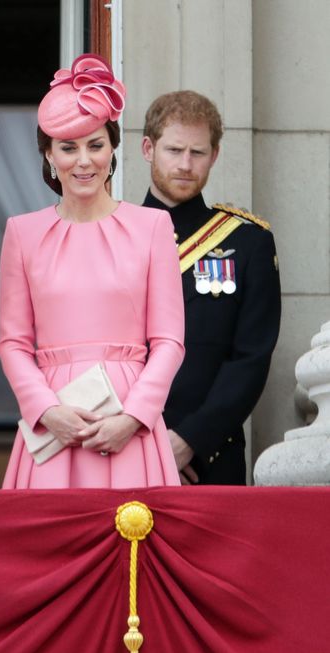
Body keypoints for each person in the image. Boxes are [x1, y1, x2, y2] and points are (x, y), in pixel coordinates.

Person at [0, 54, 185, 488]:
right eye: (68, 147)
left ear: (112, 148)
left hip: (129, 420)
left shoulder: (152, 226)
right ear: (48, 153)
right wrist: (46, 410)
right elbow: (12, 343)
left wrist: (136, 416)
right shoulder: (22, 233)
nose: (84, 161)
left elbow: (169, 341)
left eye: (95, 145)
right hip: (53, 418)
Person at [141, 91, 280, 485]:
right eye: (174, 150)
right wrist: (143, 442)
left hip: (211, 460)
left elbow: (251, 358)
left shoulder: (248, 242)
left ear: (214, 155)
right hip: (125, 451)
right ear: (148, 148)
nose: (186, 165)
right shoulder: (115, 234)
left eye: (198, 153)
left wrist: (191, 440)